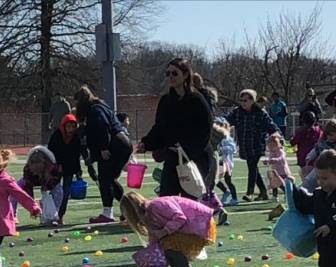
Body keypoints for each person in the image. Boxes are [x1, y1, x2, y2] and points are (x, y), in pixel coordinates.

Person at [140, 58, 213, 198]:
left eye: (174, 73)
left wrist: (186, 148)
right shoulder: (165, 101)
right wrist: (147, 143)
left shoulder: (197, 100)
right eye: (167, 74)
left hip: (196, 157)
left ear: (185, 75)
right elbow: (160, 128)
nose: (170, 77)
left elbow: (205, 130)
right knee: (167, 200)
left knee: (190, 201)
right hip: (173, 157)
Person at [121, 191, 216, 267]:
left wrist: (164, 231)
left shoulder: (157, 205)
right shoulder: (148, 217)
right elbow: (155, 244)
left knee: (169, 244)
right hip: (192, 225)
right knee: (164, 245)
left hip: (200, 222)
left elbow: (180, 217)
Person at [75, 85, 133, 223]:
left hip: (115, 145)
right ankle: (130, 209)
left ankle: (108, 213)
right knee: (110, 179)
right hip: (123, 143)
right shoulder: (100, 105)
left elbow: (102, 126)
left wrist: (103, 147)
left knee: (105, 179)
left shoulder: (94, 110)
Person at [224, 89, 280, 201]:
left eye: (245, 100)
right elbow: (226, 121)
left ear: (252, 100)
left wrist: (275, 135)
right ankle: (264, 192)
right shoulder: (237, 112)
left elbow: (272, 127)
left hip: (257, 146)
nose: (243, 103)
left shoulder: (261, 113)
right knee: (253, 168)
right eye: (241, 100)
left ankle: (250, 192)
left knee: (252, 166)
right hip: (245, 146)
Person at [47, 113, 84, 224]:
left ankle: (60, 215)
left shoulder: (76, 138)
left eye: (73, 126)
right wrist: (55, 165)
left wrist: (78, 171)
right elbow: (50, 151)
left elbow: (77, 155)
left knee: (66, 192)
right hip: (56, 168)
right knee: (54, 191)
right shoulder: (56, 136)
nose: (71, 129)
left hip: (69, 169)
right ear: (64, 126)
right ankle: (51, 213)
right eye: (68, 126)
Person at [17, 146, 63, 225]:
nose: (35, 167)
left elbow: (56, 180)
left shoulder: (54, 168)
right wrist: (32, 207)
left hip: (48, 182)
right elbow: (28, 187)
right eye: (33, 163)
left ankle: (54, 214)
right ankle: (12, 216)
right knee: (15, 188)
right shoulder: (27, 169)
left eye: (38, 164)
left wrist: (46, 187)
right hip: (33, 181)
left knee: (59, 190)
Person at [213, 118, 238, 206]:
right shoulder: (216, 137)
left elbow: (233, 149)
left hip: (227, 163)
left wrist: (222, 149)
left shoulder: (227, 138)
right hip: (219, 162)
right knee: (214, 179)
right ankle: (225, 191)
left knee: (228, 181)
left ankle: (234, 198)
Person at [291, 111, 322, 179]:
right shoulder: (319, 130)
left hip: (303, 157)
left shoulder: (301, 131)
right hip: (316, 156)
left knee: (305, 178)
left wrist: (292, 137)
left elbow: (293, 142)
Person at [264, 134, 292, 202]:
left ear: (277, 145)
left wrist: (272, 160)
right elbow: (271, 160)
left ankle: (288, 194)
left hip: (282, 171)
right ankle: (275, 196)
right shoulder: (271, 152)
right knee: (274, 183)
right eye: (269, 146)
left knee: (281, 184)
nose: (270, 148)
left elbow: (281, 159)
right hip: (275, 171)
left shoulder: (281, 151)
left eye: (272, 146)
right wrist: (268, 161)